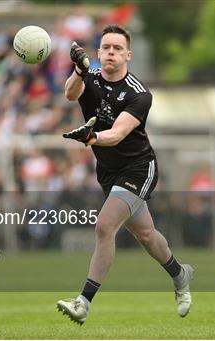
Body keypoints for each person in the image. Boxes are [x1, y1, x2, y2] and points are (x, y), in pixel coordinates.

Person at [56, 25, 193, 325]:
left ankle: (83, 302)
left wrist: (92, 138)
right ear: (99, 51)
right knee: (146, 235)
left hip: (139, 167)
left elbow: (117, 134)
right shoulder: (88, 76)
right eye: (106, 47)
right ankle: (180, 274)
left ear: (128, 55)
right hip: (108, 171)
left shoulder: (139, 94)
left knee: (104, 227)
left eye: (118, 49)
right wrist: (79, 71)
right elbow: (70, 94)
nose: (111, 53)